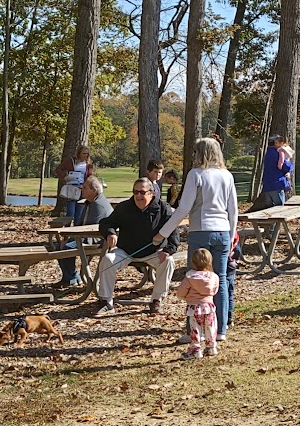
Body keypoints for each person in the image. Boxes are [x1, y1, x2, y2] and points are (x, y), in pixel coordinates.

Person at [157, 137, 239, 340]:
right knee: (218, 280)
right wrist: (231, 236)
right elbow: (233, 211)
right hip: (222, 232)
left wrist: (162, 233)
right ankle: (220, 330)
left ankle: (194, 330)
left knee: (195, 279)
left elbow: (184, 208)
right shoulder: (226, 175)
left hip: (201, 231)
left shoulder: (196, 174)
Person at [94, 176, 174, 315]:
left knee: (168, 261)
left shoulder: (163, 208)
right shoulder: (125, 207)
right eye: (135, 192)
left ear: (152, 193)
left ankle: (156, 300)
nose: (138, 195)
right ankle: (106, 301)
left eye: (142, 192)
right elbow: (106, 223)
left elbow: (173, 231)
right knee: (107, 259)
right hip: (126, 252)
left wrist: (168, 250)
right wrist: (110, 233)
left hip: (153, 252)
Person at [172, 246, 223, 357]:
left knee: (195, 328)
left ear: (193, 263)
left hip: (194, 307)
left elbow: (181, 291)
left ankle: (196, 349)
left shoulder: (190, 277)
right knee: (210, 326)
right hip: (208, 306)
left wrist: (183, 296)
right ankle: (211, 347)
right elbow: (215, 290)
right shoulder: (214, 277)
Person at [59, 144, 91, 224]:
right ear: (79, 153)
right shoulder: (71, 161)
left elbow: (90, 177)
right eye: (84, 153)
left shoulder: (88, 164)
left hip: (82, 190)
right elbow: (58, 169)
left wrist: (85, 185)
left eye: (87, 153)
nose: (85, 155)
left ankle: (76, 233)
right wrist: (64, 177)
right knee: (70, 212)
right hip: (72, 189)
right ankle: (66, 232)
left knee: (79, 213)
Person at [259, 135, 293, 208]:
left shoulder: (268, 153)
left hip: (267, 184)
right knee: (279, 208)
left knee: (269, 208)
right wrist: (290, 164)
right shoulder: (278, 153)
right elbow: (286, 167)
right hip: (277, 183)